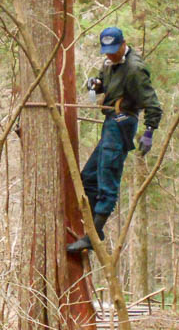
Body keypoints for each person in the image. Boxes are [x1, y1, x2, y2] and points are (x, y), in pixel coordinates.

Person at [67, 27, 163, 254]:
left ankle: (91, 236)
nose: (110, 55)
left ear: (123, 44)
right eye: (107, 51)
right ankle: (95, 229)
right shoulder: (110, 63)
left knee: (107, 177)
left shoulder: (135, 70)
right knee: (89, 177)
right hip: (111, 121)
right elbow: (103, 79)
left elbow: (153, 104)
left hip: (122, 122)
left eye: (114, 51)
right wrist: (96, 84)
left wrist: (149, 132)